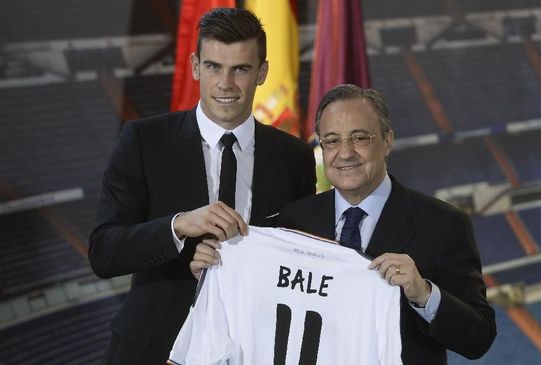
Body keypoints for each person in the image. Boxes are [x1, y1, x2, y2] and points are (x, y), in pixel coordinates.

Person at [88, 8, 316, 365]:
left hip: (254, 349)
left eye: (240, 68)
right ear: (195, 66)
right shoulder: (144, 141)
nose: (225, 83)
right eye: (213, 67)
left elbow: (300, 259)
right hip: (153, 348)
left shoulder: (294, 157)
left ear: (262, 73)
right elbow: (104, 251)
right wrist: (178, 227)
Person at [277, 84, 496, 363]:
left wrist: (424, 294)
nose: (345, 153)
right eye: (332, 141)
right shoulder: (294, 220)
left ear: (387, 141)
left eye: (359, 138)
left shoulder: (444, 224)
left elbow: (479, 337)